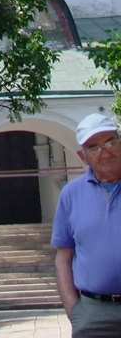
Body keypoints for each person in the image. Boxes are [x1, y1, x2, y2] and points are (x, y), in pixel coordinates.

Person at [51, 113, 121, 338]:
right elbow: (63, 257)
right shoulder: (71, 194)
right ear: (83, 156)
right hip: (94, 314)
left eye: (110, 141)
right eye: (94, 146)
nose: (105, 151)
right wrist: (75, 310)